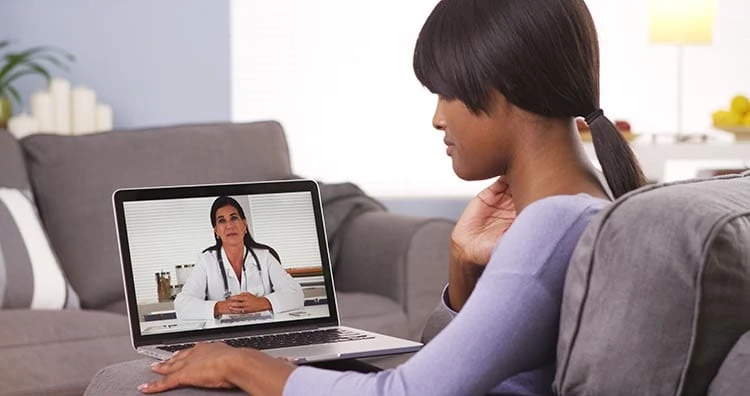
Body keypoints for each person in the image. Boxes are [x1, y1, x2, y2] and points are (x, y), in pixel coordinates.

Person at [137, 0, 647, 394]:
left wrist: (239, 360)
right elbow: (444, 361)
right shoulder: (589, 204)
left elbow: (406, 390)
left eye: (446, 92)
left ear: (504, 88)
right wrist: (462, 261)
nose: (438, 118)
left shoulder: (552, 225)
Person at [174, 196, 303, 320]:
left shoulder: (264, 257)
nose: (229, 225)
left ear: (244, 224)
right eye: (222, 221)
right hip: (223, 337)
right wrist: (220, 307)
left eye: (234, 218)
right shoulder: (206, 261)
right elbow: (182, 304)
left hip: (263, 330)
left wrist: (262, 303)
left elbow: (296, 294)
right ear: (216, 231)